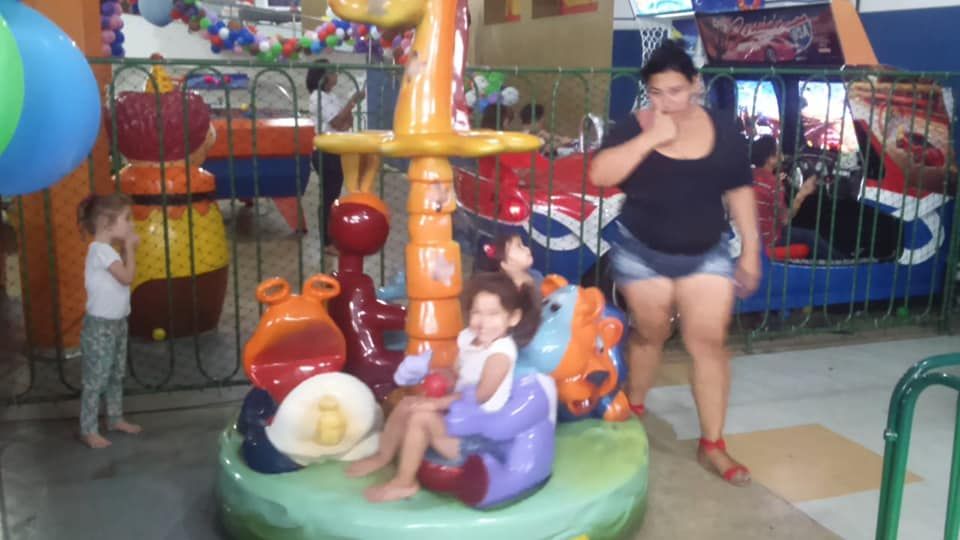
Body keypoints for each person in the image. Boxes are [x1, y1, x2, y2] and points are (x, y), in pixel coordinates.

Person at [588, 40, 758, 486]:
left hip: (707, 253)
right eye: (657, 93)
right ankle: (634, 408)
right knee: (651, 333)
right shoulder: (634, 127)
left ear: (696, 84)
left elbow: (740, 191)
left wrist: (751, 251)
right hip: (642, 253)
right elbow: (600, 174)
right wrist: (650, 138)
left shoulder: (723, 130)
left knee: (709, 343)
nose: (667, 102)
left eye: (676, 91)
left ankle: (713, 444)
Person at [345, 272, 541, 502]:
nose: (482, 322)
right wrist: (437, 375)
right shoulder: (468, 338)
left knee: (420, 417)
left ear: (513, 318)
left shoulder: (501, 354)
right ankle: (383, 456)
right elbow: (458, 373)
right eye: (476, 312)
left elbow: (480, 395)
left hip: (479, 435)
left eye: (493, 314)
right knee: (408, 403)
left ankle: (405, 483)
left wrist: (435, 403)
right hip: (459, 416)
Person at [77, 194, 143, 448]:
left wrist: (126, 249)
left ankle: (114, 418)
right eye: (126, 218)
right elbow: (127, 277)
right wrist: (129, 248)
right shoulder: (100, 251)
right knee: (96, 378)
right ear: (107, 223)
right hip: (100, 326)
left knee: (116, 374)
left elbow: (121, 275)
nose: (131, 224)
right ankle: (88, 429)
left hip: (117, 323)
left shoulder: (108, 252)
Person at [750, 135, 845, 260]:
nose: (782, 155)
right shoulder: (774, 183)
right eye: (778, 151)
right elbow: (785, 220)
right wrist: (802, 193)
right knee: (810, 236)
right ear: (770, 159)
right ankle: (841, 262)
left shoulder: (749, 176)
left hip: (752, 234)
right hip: (768, 239)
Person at [307, 59, 366, 257]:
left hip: (336, 150)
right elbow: (338, 122)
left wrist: (349, 107)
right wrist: (352, 102)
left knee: (333, 196)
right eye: (332, 72)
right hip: (325, 151)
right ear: (323, 76)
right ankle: (327, 242)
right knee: (328, 197)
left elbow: (346, 123)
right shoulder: (317, 97)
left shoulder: (331, 96)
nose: (336, 76)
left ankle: (331, 238)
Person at [475, 233, 544, 296]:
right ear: (504, 264)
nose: (527, 249)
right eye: (519, 246)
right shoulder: (510, 296)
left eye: (523, 245)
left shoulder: (536, 275)